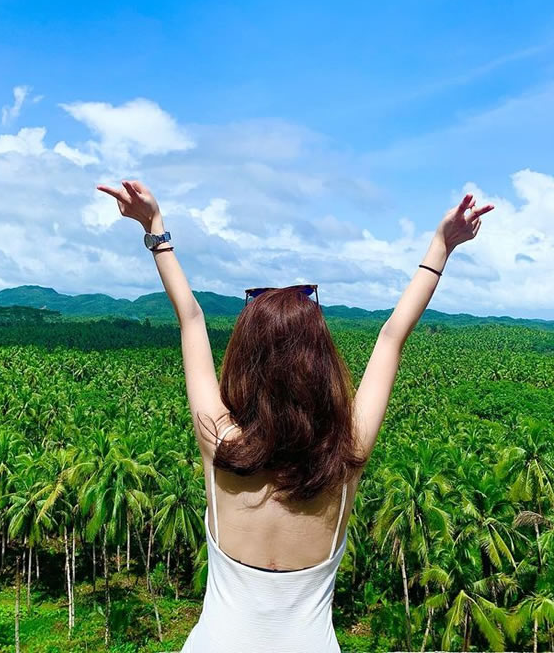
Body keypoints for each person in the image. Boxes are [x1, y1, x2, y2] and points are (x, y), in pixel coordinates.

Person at [97, 179, 494, 653]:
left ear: (245, 360)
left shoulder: (220, 443)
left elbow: (192, 319)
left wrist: (155, 229)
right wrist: (441, 246)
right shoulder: (347, 455)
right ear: (319, 363)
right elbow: (391, 336)